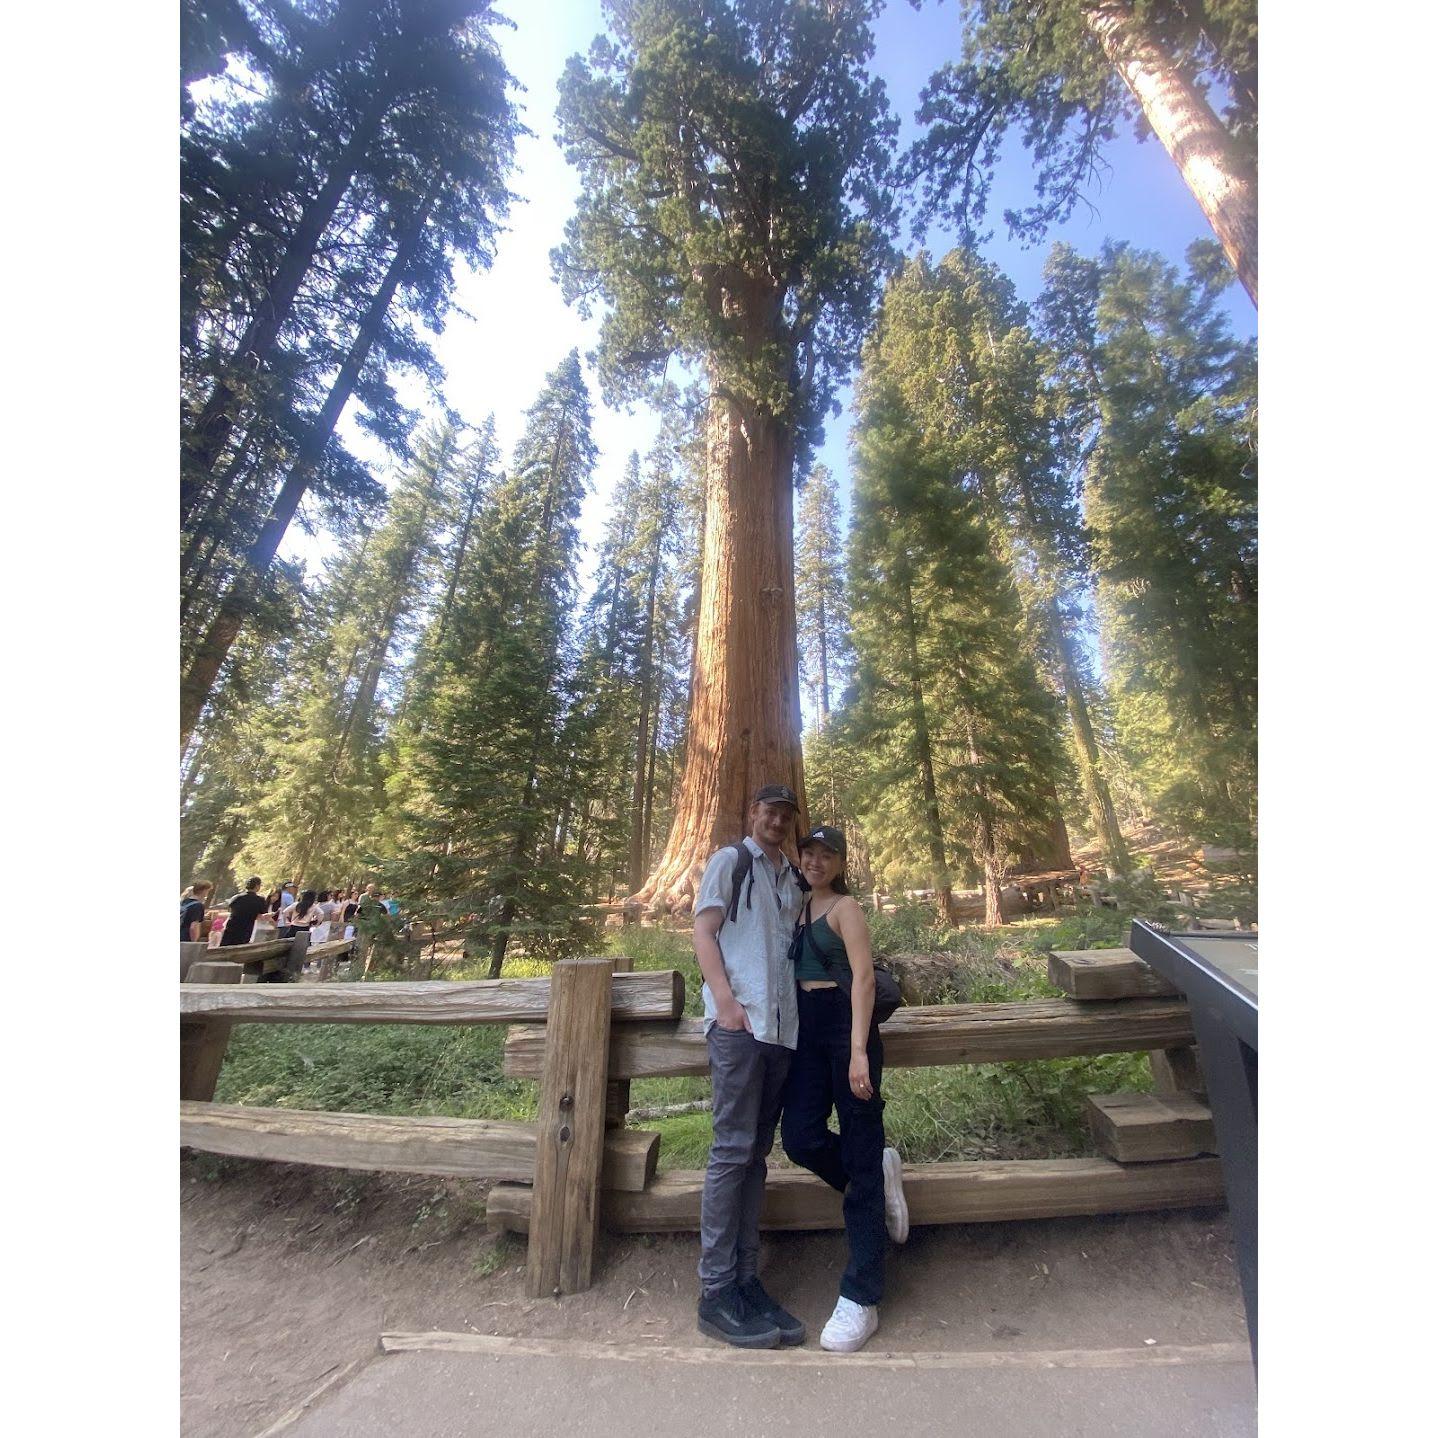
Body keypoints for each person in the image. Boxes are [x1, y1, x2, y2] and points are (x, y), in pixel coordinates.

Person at [781, 825, 909, 1354]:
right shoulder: (797, 906)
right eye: (808, 852)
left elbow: (862, 978)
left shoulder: (845, 907)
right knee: (800, 1138)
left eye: (825, 855)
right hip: (805, 1030)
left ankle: (863, 1295)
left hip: (845, 1027)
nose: (814, 861)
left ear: (838, 863)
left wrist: (858, 1051)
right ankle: (878, 1177)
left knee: (857, 1148)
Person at [692, 782, 807, 1349]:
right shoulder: (730, 861)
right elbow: (704, 931)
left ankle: (745, 1280)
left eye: (786, 814)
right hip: (741, 1028)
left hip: (780, 1033)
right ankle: (715, 1292)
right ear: (752, 813)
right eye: (769, 811)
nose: (777, 821)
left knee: (756, 1157)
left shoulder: (790, 877)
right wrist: (727, 1004)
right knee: (731, 1152)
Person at [220, 877, 269, 946]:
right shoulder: (260, 900)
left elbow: (231, 909)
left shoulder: (237, 897)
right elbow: (262, 914)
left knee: (225, 947)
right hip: (246, 929)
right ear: (257, 886)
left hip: (231, 927)